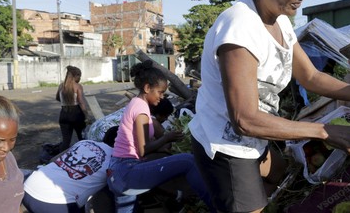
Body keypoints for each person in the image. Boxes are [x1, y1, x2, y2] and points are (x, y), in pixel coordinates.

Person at [188, 0, 350, 212]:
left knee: (279, 174)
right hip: (227, 147)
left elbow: (311, 76)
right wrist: (324, 131)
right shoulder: (239, 27)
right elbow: (245, 119)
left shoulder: (280, 22)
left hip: (254, 139)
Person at [106, 60, 214, 213]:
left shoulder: (136, 103)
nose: (162, 97)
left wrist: (164, 144)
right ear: (147, 88)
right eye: (160, 92)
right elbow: (143, 150)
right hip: (126, 171)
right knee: (188, 161)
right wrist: (166, 138)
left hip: (117, 172)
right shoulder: (141, 110)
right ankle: (218, 208)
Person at [22, 127, 119, 213]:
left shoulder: (84, 143)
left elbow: (53, 160)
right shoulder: (116, 160)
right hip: (55, 203)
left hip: (28, 188)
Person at [57, 65, 89, 152]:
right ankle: (85, 155)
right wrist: (86, 114)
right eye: (80, 76)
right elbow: (81, 102)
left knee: (66, 141)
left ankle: (61, 159)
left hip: (63, 113)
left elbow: (58, 98)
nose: (80, 78)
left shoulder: (61, 86)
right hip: (76, 114)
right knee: (82, 138)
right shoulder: (78, 86)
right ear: (76, 76)